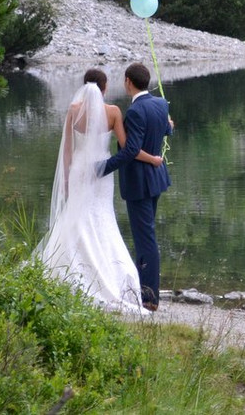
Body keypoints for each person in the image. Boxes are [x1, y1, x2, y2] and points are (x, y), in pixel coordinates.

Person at [36, 68, 162, 315]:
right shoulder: (113, 112)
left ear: (84, 87)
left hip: (80, 171)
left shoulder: (73, 111)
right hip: (102, 175)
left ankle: (68, 269)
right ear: (104, 88)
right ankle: (111, 275)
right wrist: (153, 159)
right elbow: (130, 150)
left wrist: (66, 181)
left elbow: (67, 152)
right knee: (102, 218)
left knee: (76, 217)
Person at [97, 62, 173, 312]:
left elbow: (130, 150)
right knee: (146, 235)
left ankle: (150, 298)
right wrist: (168, 124)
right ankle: (146, 291)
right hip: (156, 178)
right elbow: (167, 131)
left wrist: (101, 169)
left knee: (145, 239)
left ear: (128, 81)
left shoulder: (136, 111)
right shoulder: (161, 104)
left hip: (140, 183)